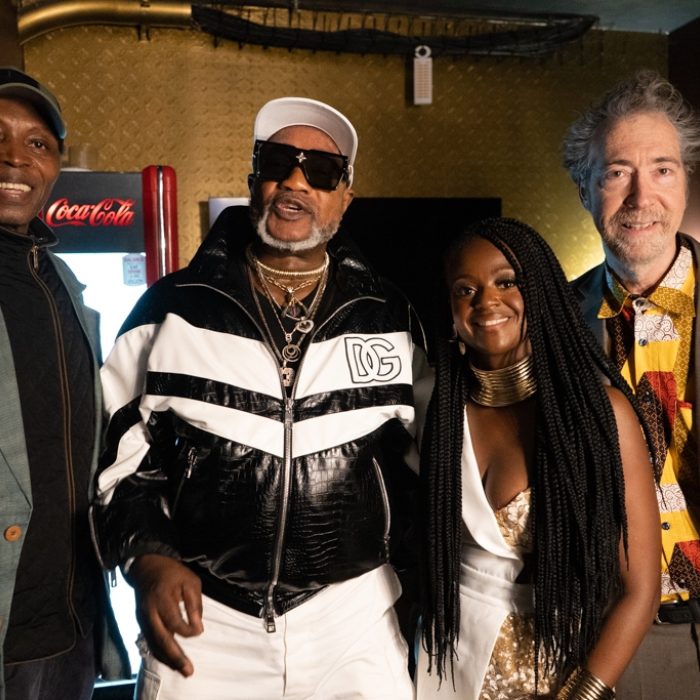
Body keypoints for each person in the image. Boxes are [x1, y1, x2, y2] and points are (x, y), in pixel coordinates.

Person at [91, 96, 428, 699]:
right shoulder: (171, 310)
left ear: (345, 196)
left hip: (353, 619)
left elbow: (435, 464)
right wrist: (147, 557)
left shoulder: (391, 317)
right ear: (254, 181)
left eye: (321, 171)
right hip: (206, 621)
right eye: (279, 163)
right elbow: (116, 460)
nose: (296, 182)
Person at [416, 217, 660, 699]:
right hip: (443, 671)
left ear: (542, 291)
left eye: (506, 282)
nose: (486, 301)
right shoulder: (431, 410)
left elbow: (641, 592)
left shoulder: (598, 414)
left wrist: (579, 695)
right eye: (465, 290)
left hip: (558, 676)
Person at [563, 70, 700, 699]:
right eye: (618, 172)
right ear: (585, 189)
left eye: (663, 169)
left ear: (685, 180)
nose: (643, 195)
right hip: (628, 641)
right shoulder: (549, 325)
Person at [0, 67, 130, 700]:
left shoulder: (62, 284)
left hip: (70, 623)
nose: (14, 157)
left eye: (37, 143)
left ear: (54, 167)